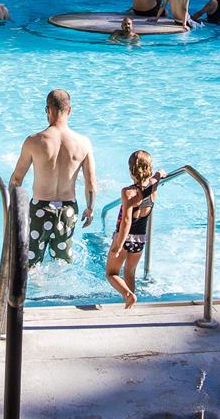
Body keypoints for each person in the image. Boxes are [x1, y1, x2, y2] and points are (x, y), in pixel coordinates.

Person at [10, 88, 98, 267]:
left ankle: (37, 291)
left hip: (39, 209)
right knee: (62, 263)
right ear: (70, 110)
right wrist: (90, 208)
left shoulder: (34, 141)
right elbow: (90, 183)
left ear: (47, 110)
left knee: (32, 264)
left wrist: (14, 211)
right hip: (68, 210)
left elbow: (16, 180)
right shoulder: (83, 143)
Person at [106, 150, 162, 308]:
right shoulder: (153, 187)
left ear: (131, 170)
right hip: (140, 239)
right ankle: (130, 303)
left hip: (125, 238)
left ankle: (128, 295)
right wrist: (159, 173)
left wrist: (118, 244)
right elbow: (157, 176)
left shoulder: (128, 192)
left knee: (111, 273)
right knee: (130, 272)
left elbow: (126, 220)